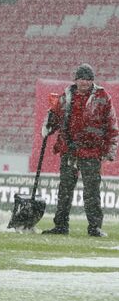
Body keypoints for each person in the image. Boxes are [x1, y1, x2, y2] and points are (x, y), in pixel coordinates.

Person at [41, 63, 118, 237]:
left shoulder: (103, 97)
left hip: (92, 153)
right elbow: (54, 120)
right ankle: (60, 225)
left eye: (88, 79)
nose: (84, 82)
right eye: (81, 78)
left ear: (92, 81)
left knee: (92, 192)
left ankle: (94, 227)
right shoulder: (66, 96)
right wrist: (49, 122)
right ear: (76, 80)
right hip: (69, 150)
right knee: (65, 191)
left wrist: (109, 151)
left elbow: (112, 126)